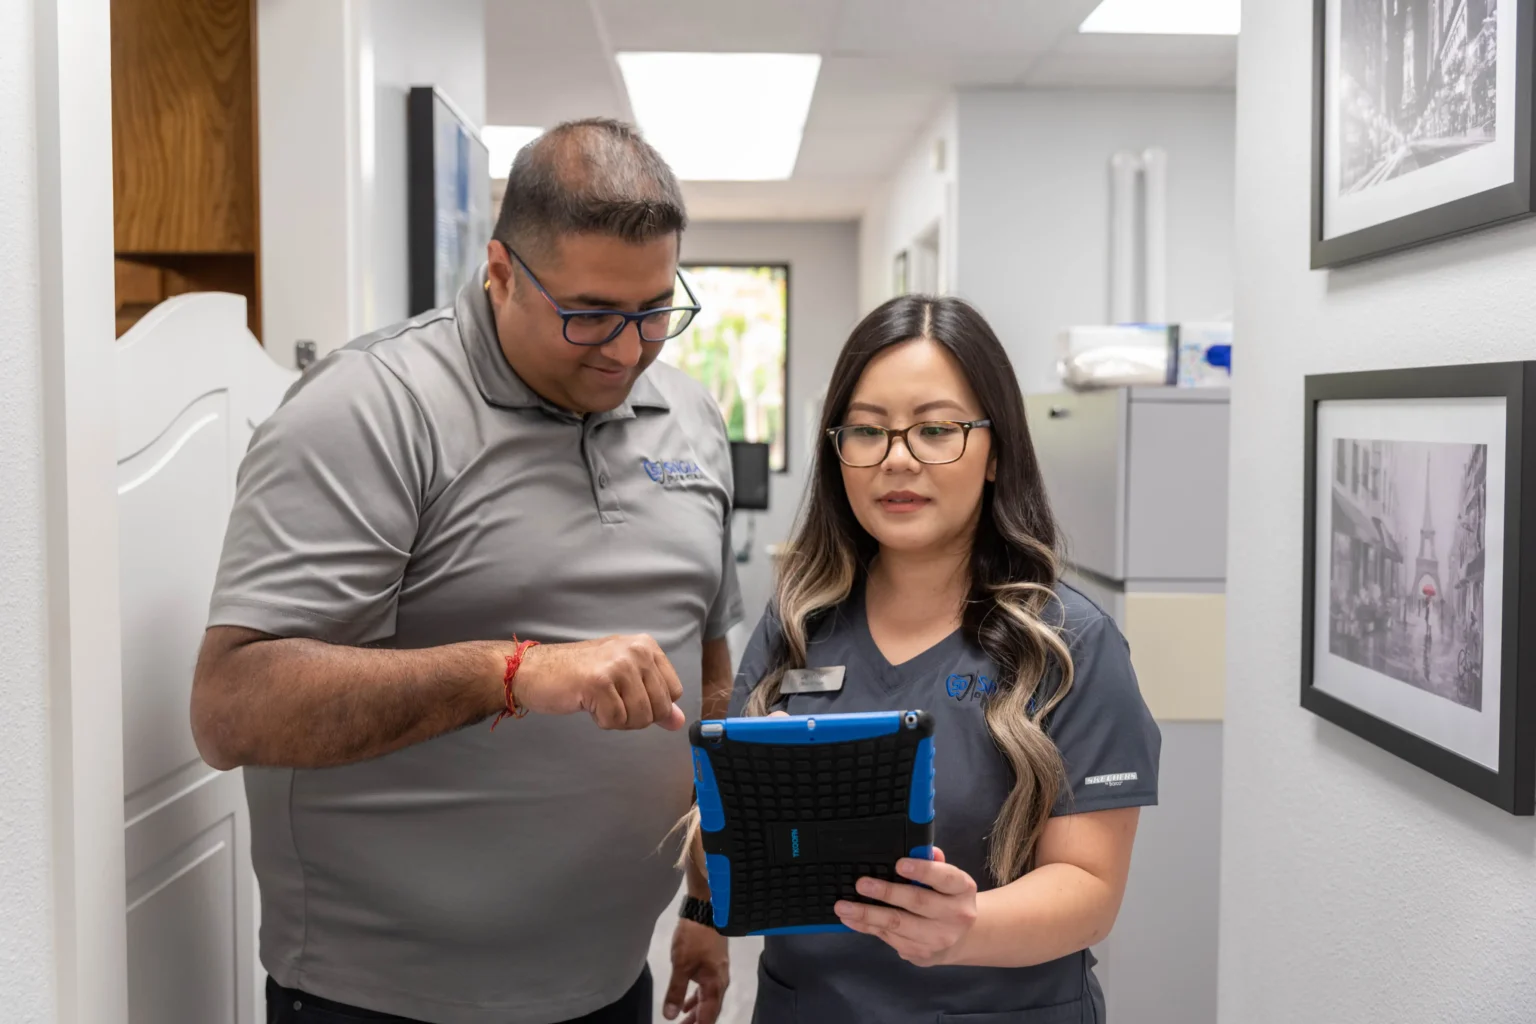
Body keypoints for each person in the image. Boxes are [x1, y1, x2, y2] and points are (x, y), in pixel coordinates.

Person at [191, 119, 740, 1024]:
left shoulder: (691, 415)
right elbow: (231, 709)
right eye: (590, 313)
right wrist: (515, 672)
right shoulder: (369, 409)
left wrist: (710, 900)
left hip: (609, 985)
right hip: (380, 1002)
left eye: (654, 312)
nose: (628, 350)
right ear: (499, 271)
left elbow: (708, 672)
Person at [720, 296, 1160, 1022]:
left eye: (935, 429)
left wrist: (966, 927)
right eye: (867, 430)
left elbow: (1089, 887)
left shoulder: (1069, 643)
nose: (898, 458)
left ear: (996, 453)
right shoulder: (797, 621)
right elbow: (735, 828)